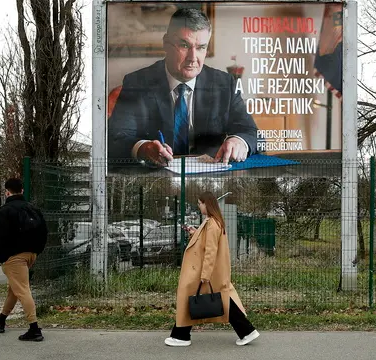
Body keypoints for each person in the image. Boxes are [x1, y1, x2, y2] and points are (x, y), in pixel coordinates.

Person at [108, 8, 258, 166]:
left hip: (211, 178)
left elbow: (251, 132)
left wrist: (239, 141)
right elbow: (116, 138)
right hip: (155, 177)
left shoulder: (224, 84)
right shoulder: (137, 82)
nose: (193, 58)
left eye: (201, 47)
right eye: (184, 45)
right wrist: (143, 148)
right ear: (166, 44)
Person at [165, 191, 259, 347]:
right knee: (220, 299)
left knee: (191, 297)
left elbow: (210, 250)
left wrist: (205, 275)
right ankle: (247, 331)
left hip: (205, 271)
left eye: (200, 203)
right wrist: (195, 233)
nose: (199, 206)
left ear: (206, 204)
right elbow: (207, 243)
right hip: (208, 270)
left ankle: (181, 336)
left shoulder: (212, 224)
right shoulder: (213, 222)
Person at [0, 178, 48, 342]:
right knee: (14, 289)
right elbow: (44, 231)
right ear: (22, 190)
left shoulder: (5, 210)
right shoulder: (32, 209)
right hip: (31, 254)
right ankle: (1, 320)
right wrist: (37, 251)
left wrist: (1, 257)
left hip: (14, 256)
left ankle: (34, 329)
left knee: (22, 290)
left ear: (7, 192)